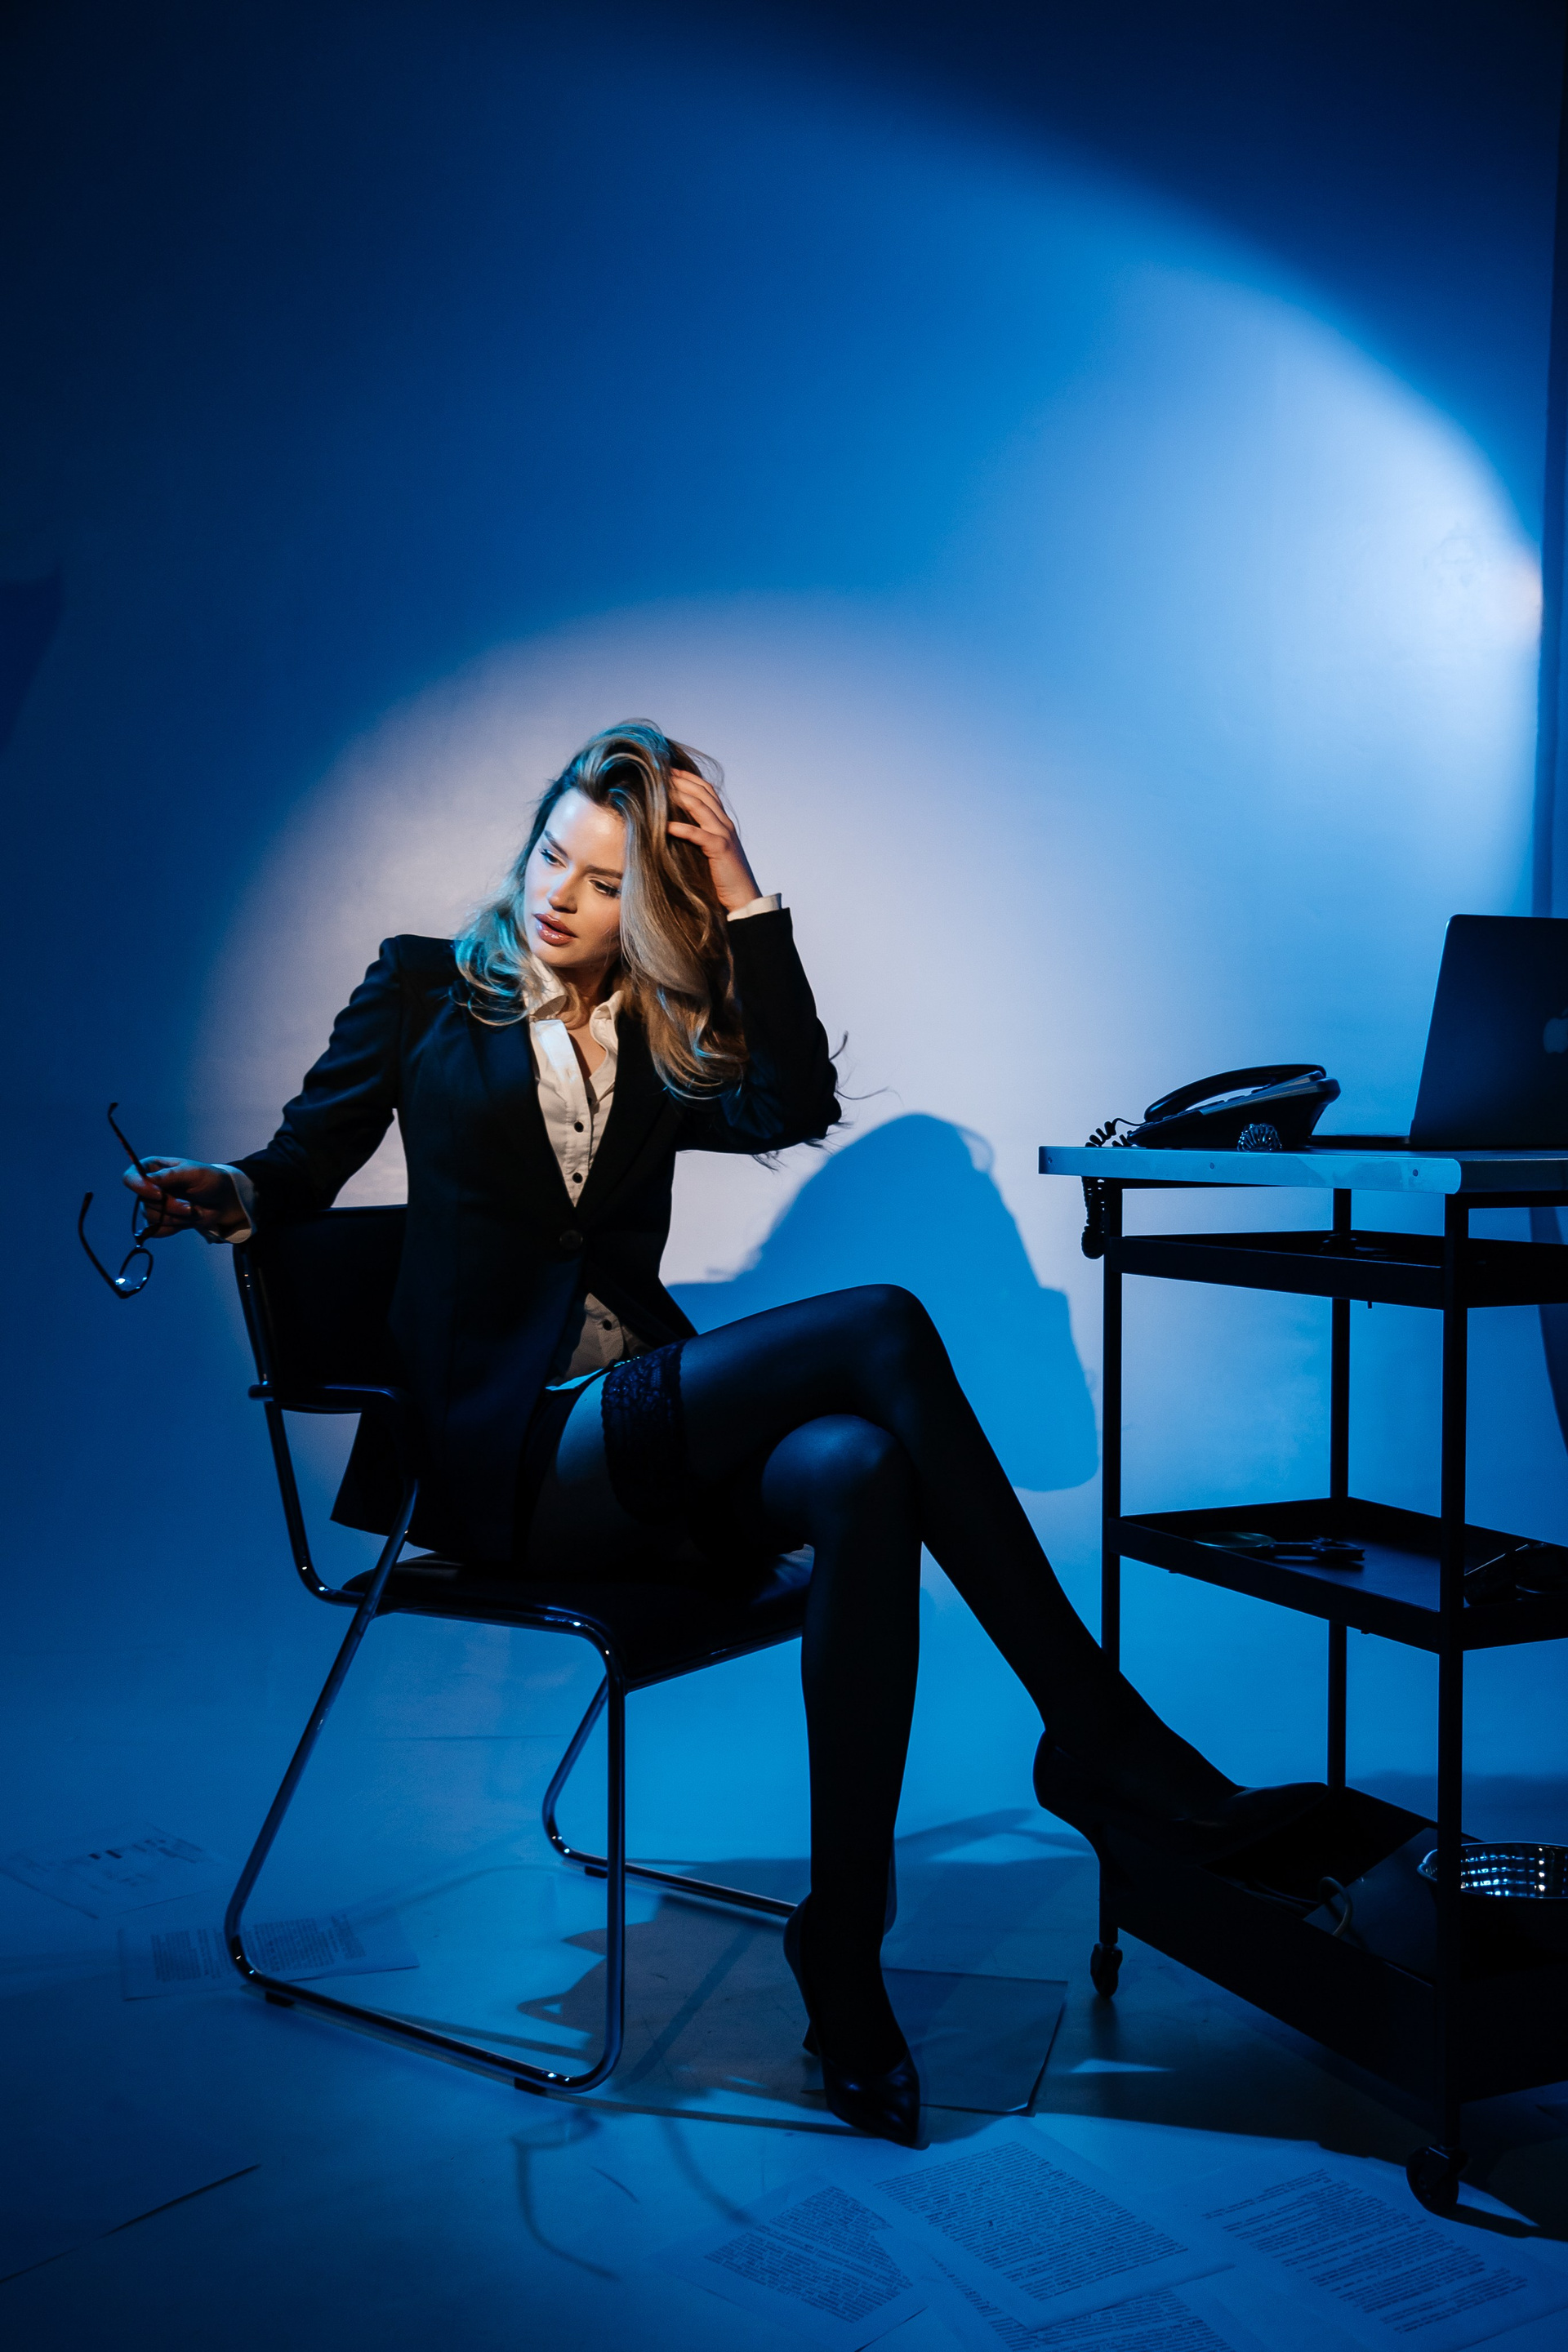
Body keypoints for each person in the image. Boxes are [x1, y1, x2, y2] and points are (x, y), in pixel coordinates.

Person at [128, 720, 1323, 2146]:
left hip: (631, 1437)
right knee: (880, 1324)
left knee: (862, 1470)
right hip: (508, 1462)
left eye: (602, 882)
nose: (559, 895)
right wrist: (229, 1193)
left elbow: (791, 1105)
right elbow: (303, 1158)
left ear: (647, 902)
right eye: (551, 857)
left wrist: (747, 899)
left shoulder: (652, 1022)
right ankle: (1098, 1733)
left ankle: (844, 1944)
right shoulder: (422, 989)